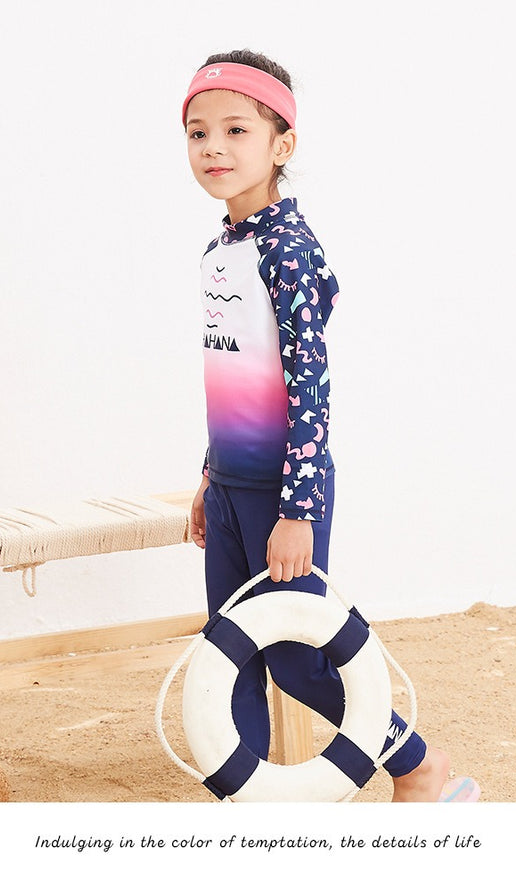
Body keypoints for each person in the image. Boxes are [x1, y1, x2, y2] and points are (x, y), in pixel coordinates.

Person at [183, 48, 479, 803]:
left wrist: (298, 510)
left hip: (282, 490)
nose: (214, 147)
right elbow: (234, 377)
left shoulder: (288, 250)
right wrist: (209, 476)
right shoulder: (221, 250)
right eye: (198, 132)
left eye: (236, 130)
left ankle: (417, 764)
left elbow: (308, 390)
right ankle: (247, 812)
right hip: (231, 485)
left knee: (299, 658)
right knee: (230, 654)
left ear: (281, 144)